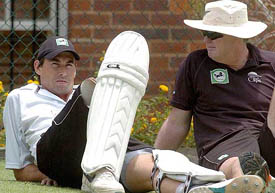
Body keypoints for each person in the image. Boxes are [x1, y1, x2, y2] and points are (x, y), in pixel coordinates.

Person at [3, 33, 265, 193]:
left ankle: (204, 186)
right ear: (38, 66)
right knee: (90, 94)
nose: (63, 70)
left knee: (153, 161)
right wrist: (46, 174)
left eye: (69, 64)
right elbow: (19, 170)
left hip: (90, 155)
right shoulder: (20, 97)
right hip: (54, 152)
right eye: (54, 64)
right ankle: (108, 91)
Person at [154, 0, 275, 192]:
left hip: (268, 136)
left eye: (213, 34)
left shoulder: (270, 63)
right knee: (243, 159)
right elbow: (177, 122)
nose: (206, 40)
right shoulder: (196, 64)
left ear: (237, 36)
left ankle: (258, 180)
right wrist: (155, 162)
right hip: (224, 143)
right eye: (204, 33)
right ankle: (246, 179)